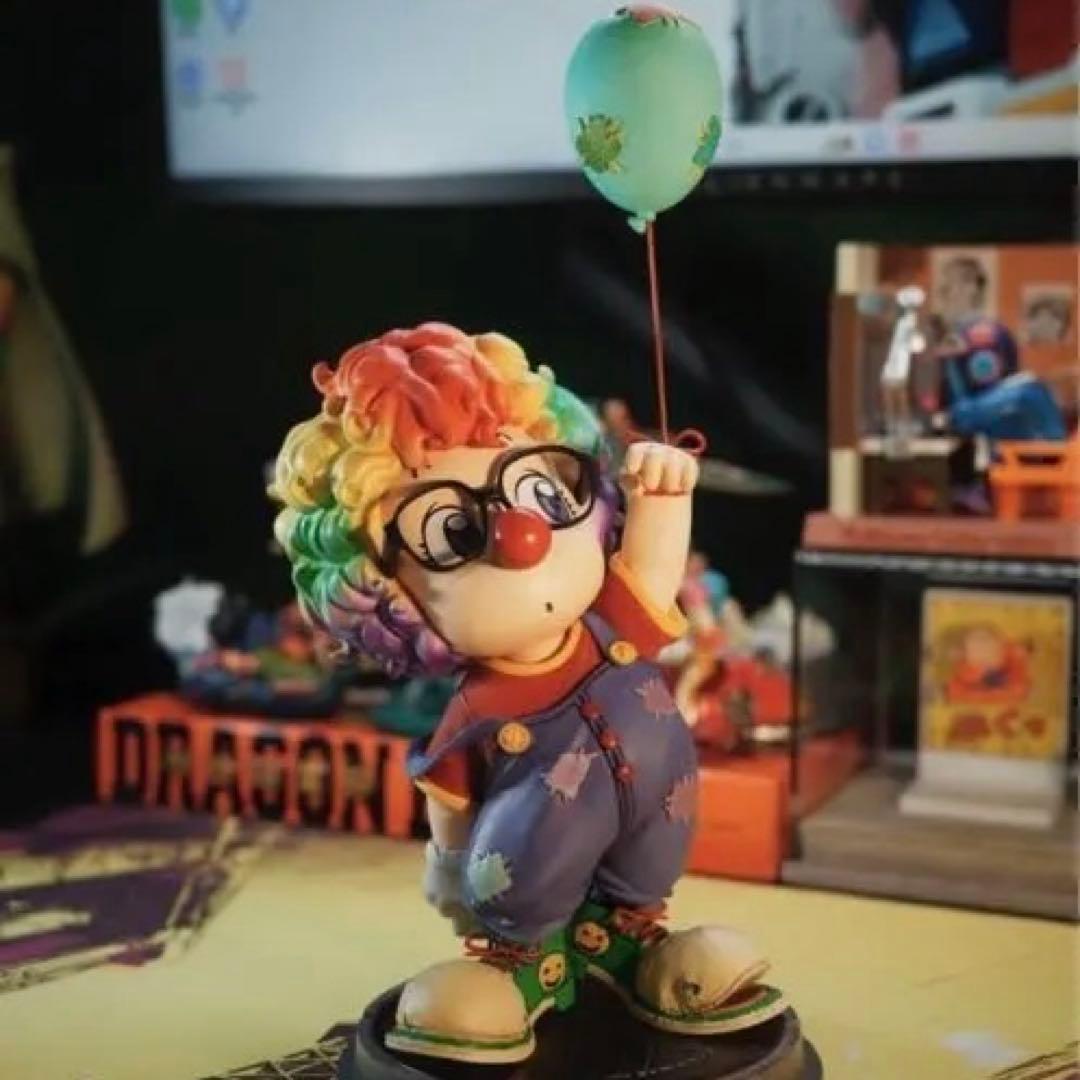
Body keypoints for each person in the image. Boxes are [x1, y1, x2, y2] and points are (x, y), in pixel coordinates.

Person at [271, 323, 784, 1064]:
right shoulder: (477, 712)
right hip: (524, 890)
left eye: (538, 491)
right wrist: (451, 879)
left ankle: (638, 945)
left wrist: (664, 497)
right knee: (518, 881)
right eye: (451, 529)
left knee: (646, 869)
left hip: (650, 837)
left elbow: (652, 572)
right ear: (389, 596)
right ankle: (512, 968)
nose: (521, 535)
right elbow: (451, 805)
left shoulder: (611, 624)